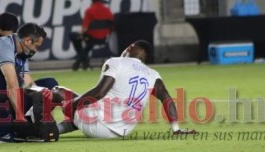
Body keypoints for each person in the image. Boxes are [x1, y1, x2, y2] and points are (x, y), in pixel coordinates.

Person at [55, 40, 196, 139]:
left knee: (57, 91)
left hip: (99, 126)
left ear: (130, 47)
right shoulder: (153, 75)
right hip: (123, 131)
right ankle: (56, 129)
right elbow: (167, 99)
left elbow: (99, 93)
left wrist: (71, 105)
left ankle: (37, 127)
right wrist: (176, 129)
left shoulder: (116, 62)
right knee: (85, 106)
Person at [70, 0, 114, 71]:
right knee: (87, 45)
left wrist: (81, 33)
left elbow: (84, 29)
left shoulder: (89, 10)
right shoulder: (107, 10)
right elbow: (112, 26)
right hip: (104, 38)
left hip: (91, 38)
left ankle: (82, 61)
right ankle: (84, 61)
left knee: (73, 36)